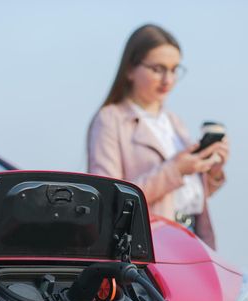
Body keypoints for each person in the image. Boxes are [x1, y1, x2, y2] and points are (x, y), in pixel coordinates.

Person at [87, 24, 229, 250]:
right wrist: (176, 169)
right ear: (130, 69)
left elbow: (183, 195)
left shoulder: (173, 121)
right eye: (158, 69)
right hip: (151, 247)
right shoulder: (110, 119)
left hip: (193, 239)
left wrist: (212, 170)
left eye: (174, 70)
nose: (168, 79)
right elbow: (109, 199)